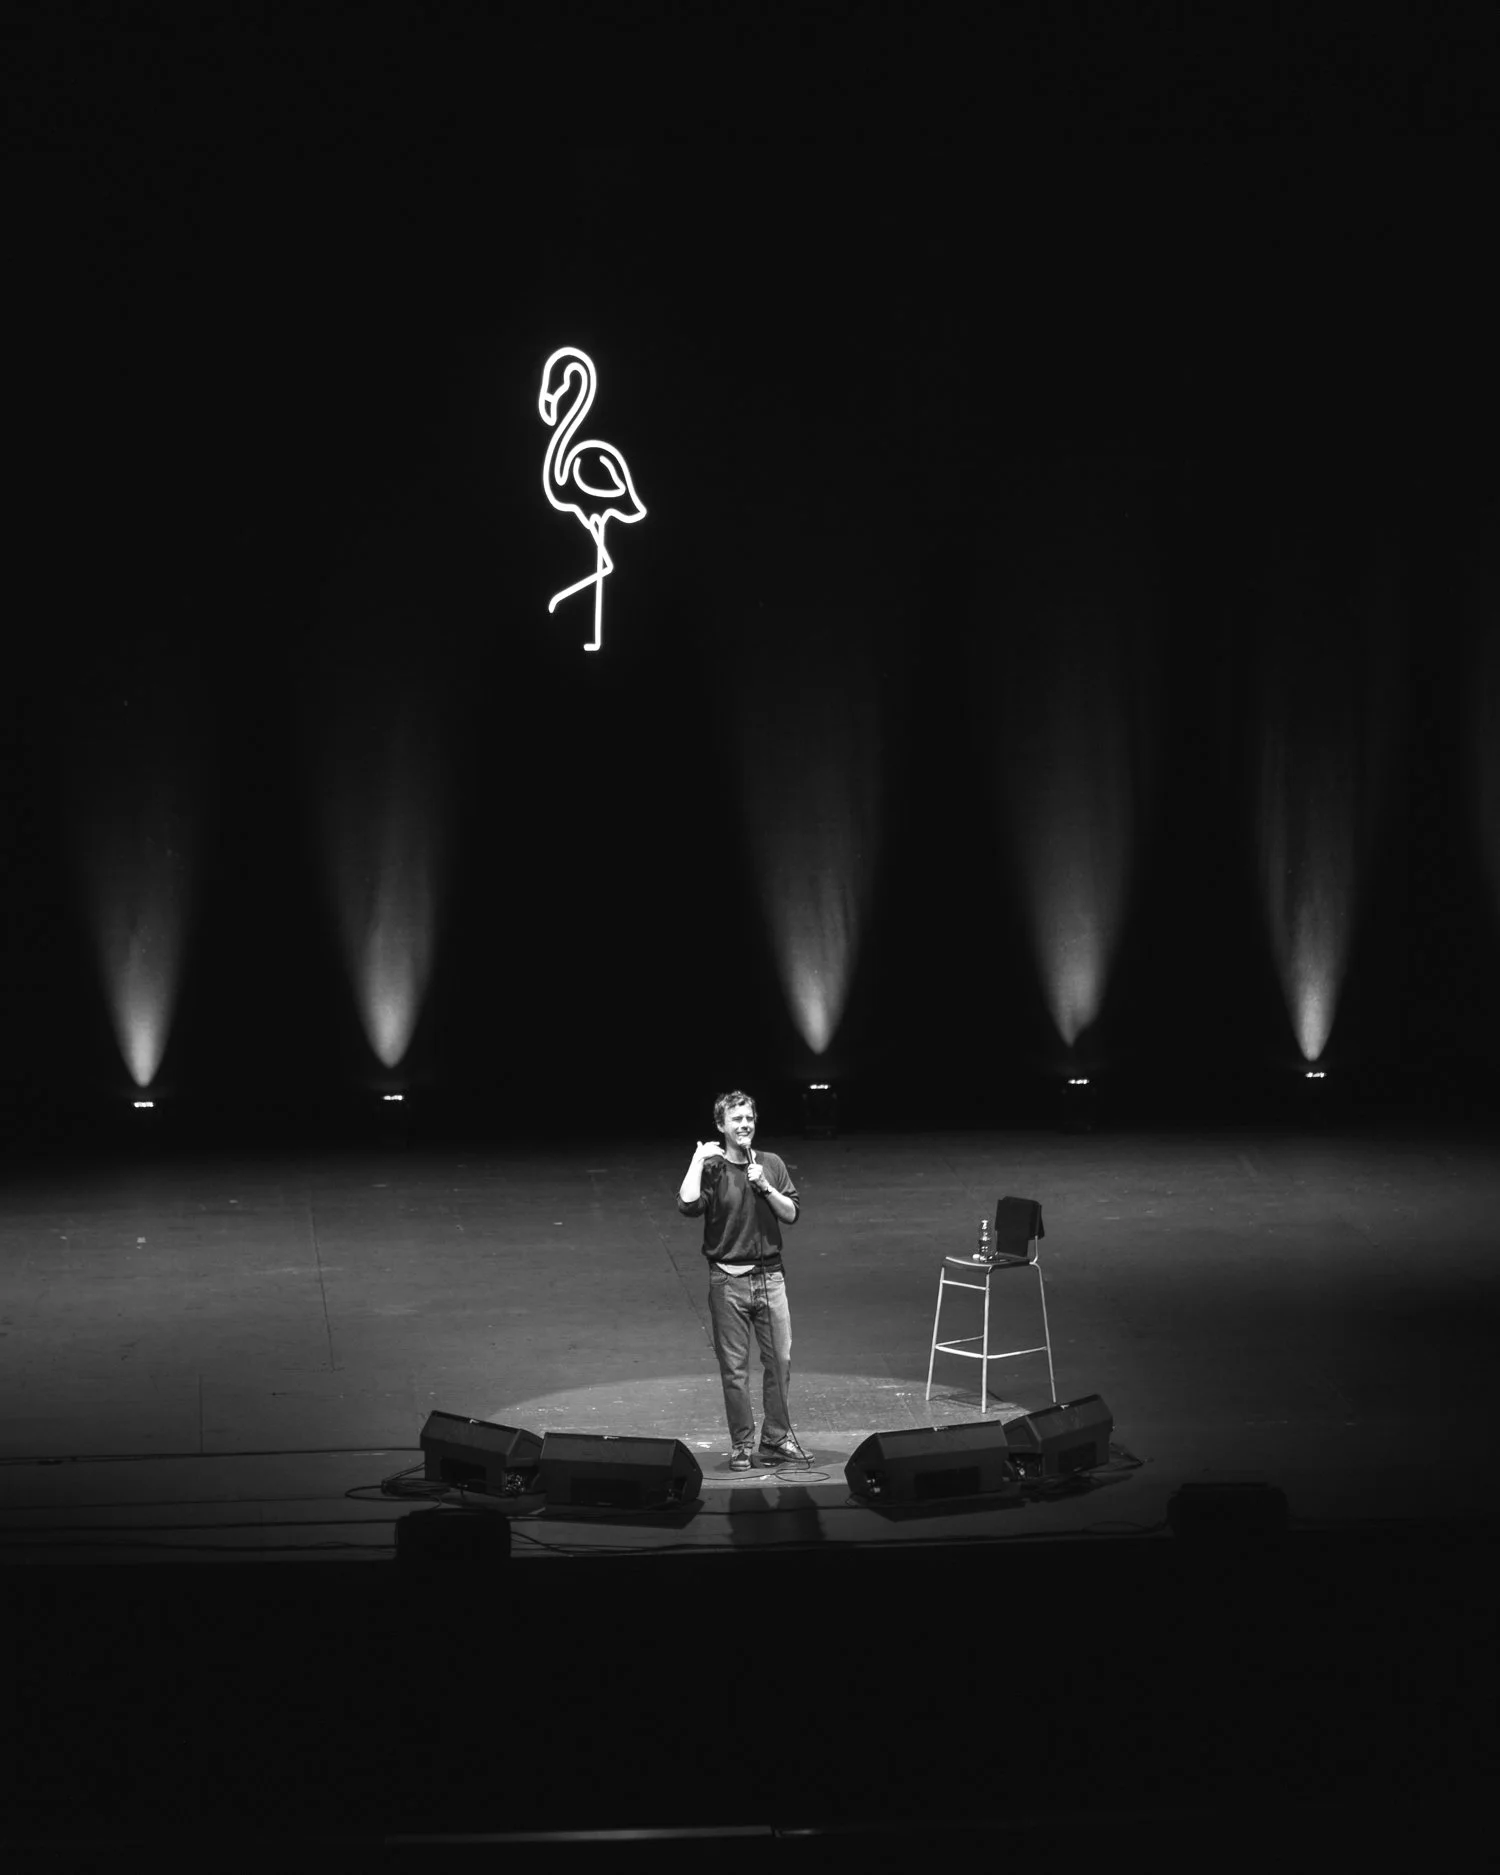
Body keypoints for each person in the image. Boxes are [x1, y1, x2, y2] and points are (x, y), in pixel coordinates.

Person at [677, 1091, 808, 1472]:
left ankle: (777, 1438)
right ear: (721, 1125)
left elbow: (792, 1213)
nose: (744, 1124)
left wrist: (766, 1185)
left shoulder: (771, 1163)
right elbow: (686, 1205)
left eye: (748, 1118)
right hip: (727, 1281)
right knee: (734, 1369)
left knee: (779, 1361)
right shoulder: (714, 1169)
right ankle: (741, 1444)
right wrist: (698, 1159)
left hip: (770, 1278)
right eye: (736, 1119)